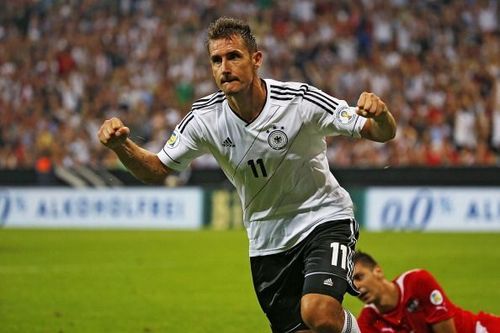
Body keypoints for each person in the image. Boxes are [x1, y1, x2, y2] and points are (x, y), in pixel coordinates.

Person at [97, 17, 396, 333]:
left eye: (233, 57)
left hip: (323, 218)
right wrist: (122, 147)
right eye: (216, 60)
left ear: (256, 60)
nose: (224, 67)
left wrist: (382, 115)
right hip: (266, 239)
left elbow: (378, 133)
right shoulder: (203, 119)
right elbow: (157, 170)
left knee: (320, 313)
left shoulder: (299, 100)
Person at [352, 251, 500, 333]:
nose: (356, 287)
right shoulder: (367, 322)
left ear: (377, 271)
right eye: (350, 284)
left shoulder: (416, 282)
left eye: (359, 277)